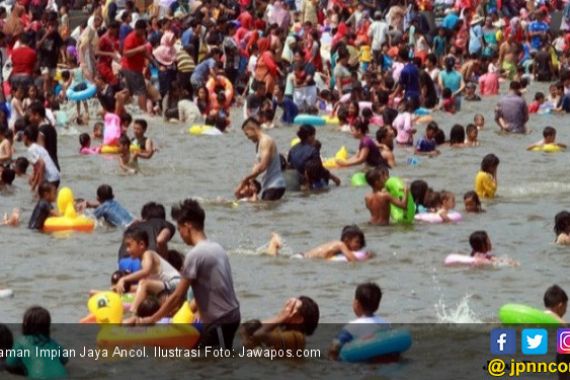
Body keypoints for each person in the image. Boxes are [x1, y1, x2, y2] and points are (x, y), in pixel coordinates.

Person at [137, 199, 241, 350]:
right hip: (229, 317)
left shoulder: (195, 255)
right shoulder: (216, 248)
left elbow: (177, 296)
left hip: (220, 321)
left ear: (187, 226)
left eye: (179, 229)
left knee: (216, 367)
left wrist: (153, 319)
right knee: (203, 363)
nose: (180, 234)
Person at [114, 228, 181, 314]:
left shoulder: (148, 254)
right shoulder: (141, 261)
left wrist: (123, 279)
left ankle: (132, 312)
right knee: (142, 287)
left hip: (176, 283)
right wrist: (123, 289)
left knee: (144, 283)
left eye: (129, 245)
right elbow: (142, 288)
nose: (127, 250)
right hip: (166, 287)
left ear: (141, 244)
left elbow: (146, 271)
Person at [328, 282, 388, 360]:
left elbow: (335, 346)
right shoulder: (385, 323)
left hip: (360, 360)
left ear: (357, 304)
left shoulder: (352, 327)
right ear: (378, 306)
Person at [6, 307, 68, 378]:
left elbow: (10, 363)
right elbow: (65, 360)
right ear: (48, 326)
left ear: (25, 324)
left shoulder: (21, 341)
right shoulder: (53, 343)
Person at [240, 296, 319, 350]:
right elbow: (247, 328)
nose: (285, 309)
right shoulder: (282, 330)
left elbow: (259, 334)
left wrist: (281, 317)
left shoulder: (297, 338)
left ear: (298, 319)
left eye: (290, 308)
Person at [238, 118, 286, 201]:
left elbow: (263, 165)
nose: (247, 137)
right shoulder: (259, 143)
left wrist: (247, 178)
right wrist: (250, 181)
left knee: (264, 211)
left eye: (247, 134)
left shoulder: (265, 141)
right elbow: (258, 166)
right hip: (269, 185)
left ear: (252, 129)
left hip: (275, 185)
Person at [265, 225, 370, 262]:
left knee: (278, 258)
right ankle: (275, 241)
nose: (359, 246)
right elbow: (352, 260)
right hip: (302, 259)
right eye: (357, 242)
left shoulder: (338, 247)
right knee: (272, 258)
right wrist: (366, 258)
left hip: (303, 257)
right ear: (347, 240)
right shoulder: (340, 245)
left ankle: (276, 243)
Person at [121, 20, 154, 112]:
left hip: (135, 68)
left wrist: (151, 59)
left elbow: (143, 51)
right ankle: (144, 112)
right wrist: (138, 49)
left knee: (130, 91)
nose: (144, 33)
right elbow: (125, 53)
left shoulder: (141, 37)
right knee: (142, 90)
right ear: (138, 29)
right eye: (143, 31)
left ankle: (116, 105)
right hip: (131, 68)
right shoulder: (130, 38)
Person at [22, 126, 61, 191]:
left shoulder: (31, 149)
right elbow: (38, 169)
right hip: (56, 177)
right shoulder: (39, 147)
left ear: (25, 137)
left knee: (40, 198)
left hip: (50, 179)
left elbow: (42, 164)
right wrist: (34, 183)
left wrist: (40, 185)